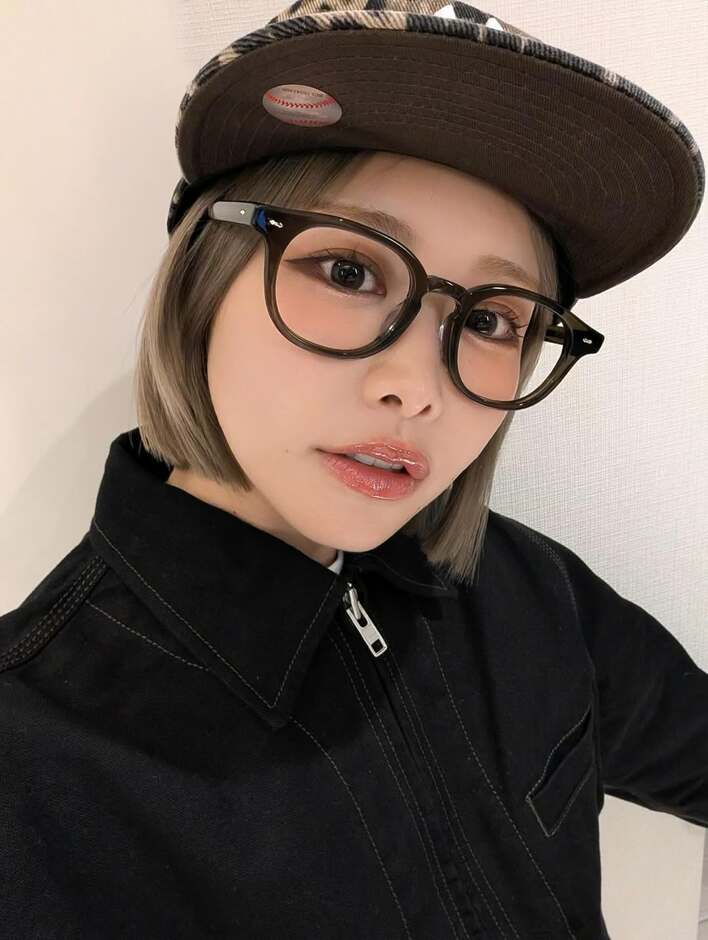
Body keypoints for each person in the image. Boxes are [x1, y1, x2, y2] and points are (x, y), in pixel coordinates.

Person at [1, 2, 705, 938]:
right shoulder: (34, 764)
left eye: (491, 319)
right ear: (204, 277)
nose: (416, 387)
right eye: (347, 271)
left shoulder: (529, 590)